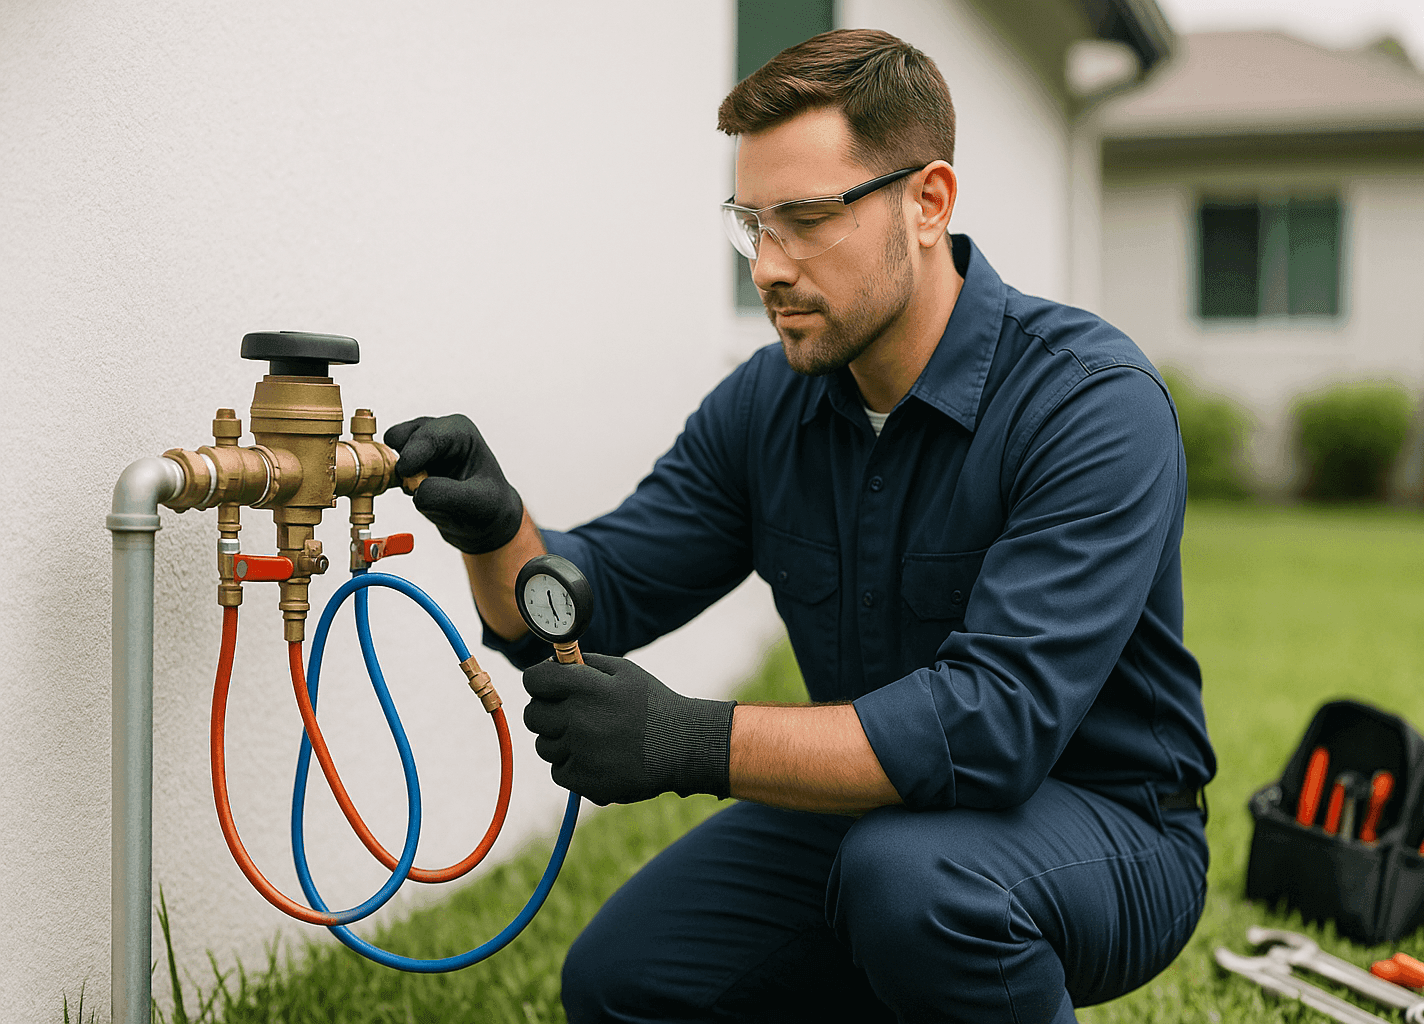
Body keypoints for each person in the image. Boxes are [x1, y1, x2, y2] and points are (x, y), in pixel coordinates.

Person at [385, 28, 1217, 1024]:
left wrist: (695, 741)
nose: (768, 267)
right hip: (875, 812)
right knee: (625, 979)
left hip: (1107, 824)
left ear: (929, 201)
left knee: (916, 886)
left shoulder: (1088, 402)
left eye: (808, 220)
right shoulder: (769, 405)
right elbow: (589, 596)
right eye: (751, 225)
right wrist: (497, 526)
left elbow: (995, 724)